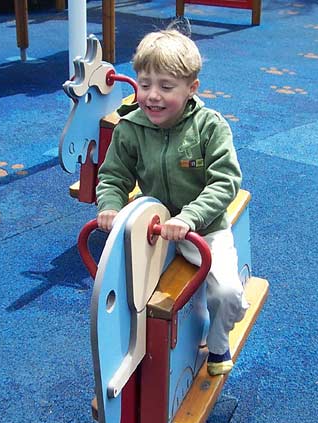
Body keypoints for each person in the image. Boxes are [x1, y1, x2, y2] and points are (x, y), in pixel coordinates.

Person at [96, 29, 249, 376]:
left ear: (191, 88)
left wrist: (192, 216)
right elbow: (114, 176)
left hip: (203, 230)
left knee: (227, 294)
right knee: (123, 288)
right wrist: (109, 205)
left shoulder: (209, 127)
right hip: (155, 230)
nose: (152, 96)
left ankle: (219, 341)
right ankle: (130, 356)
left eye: (166, 87)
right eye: (145, 83)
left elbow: (225, 181)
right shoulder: (131, 127)